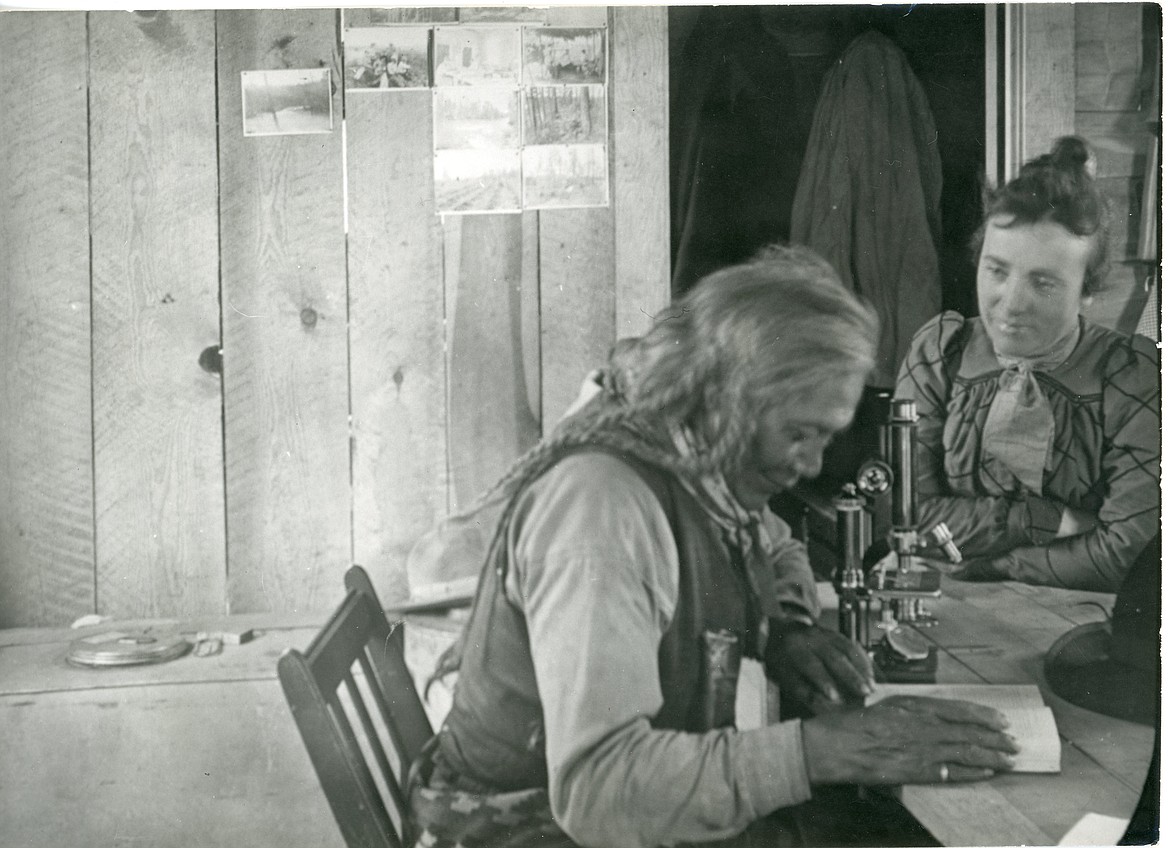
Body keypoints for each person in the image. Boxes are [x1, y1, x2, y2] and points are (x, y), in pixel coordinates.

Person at [406, 245, 1019, 848]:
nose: (811, 465)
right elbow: (599, 791)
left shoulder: (696, 462)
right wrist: (821, 751)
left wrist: (783, 628)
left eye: (825, 437)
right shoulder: (604, 509)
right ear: (729, 403)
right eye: (798, 433)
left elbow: (775, 548)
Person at [896, 136, 1159, 592]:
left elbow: (1132, 555)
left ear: (1088, 291)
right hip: (951, 609)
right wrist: (1048, 520)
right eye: (996, 271)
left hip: (1084, 620)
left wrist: (996, 564)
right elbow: (905, 518)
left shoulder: (1133, 380)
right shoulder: (940, 355)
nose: (1011, 303)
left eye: (1044, 283)